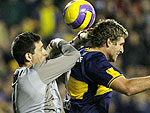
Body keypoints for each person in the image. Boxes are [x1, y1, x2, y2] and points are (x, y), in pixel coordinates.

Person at [64, 19, 150, 113]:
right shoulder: (95, 60)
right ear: (109, 41)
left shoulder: (82, 53)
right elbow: (127, 87)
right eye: (120, 44)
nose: (122, 50)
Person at [11, 31, 87, 113]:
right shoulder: (37, 72)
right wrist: (57, 42)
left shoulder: (23, 75)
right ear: (29, 56)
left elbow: (60, 57)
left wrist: (75, 42)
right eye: (41, 49)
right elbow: (74, 56)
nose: (45, 52)